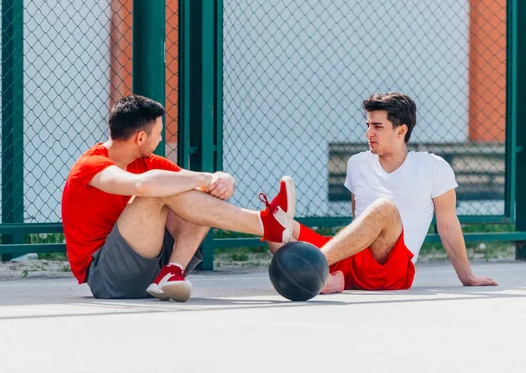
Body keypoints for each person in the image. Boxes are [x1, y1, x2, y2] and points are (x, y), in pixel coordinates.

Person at [61, 94, 297, 302]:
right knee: (154, 193)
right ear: (141, 138)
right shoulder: (91, 165)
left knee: (191, 188)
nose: (161, 140)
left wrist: (220, 179)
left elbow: (193, 181)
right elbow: (142, 185)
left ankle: (172, 272)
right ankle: (265, 224)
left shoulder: (145, 162)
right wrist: (203, 179)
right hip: (108, 277)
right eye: (159, 134)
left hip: (149, 263)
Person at [266, 92, 497, 292]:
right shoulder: (357, 163)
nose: (369, 133)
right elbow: (358, 221)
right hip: (352, 259)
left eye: (377, 126)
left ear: (401, 131)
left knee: (384, 208)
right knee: (277, 222)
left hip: (392, 271)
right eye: (368, 125)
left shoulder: (433, 167)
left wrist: (467, 276)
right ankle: (326, 279)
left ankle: (314, 268)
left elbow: (447, 226)